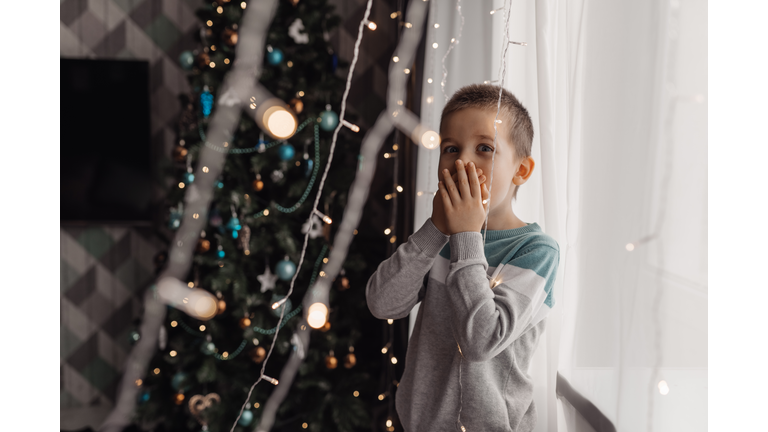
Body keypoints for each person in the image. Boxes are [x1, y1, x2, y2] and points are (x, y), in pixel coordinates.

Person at [366, 84, 560, 431]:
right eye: (451, 148)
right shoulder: (439, 239)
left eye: (485, 148)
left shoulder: (537, 251)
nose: (462, 162)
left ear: (521, 171)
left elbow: (481, 341)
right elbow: (382, 303)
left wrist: (467, 236)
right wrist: (435, 229)